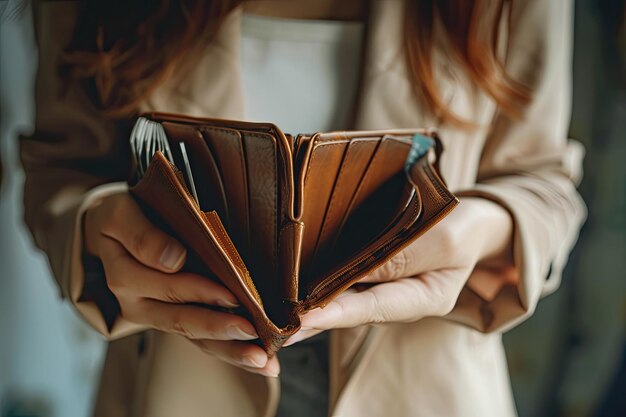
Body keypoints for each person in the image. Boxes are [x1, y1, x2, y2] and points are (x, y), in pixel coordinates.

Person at [20, 0, 586, 416]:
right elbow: (62, 172)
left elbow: (543, 181)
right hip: (172, 391)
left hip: (430, 393)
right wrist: (98, 229)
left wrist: (476, 231)